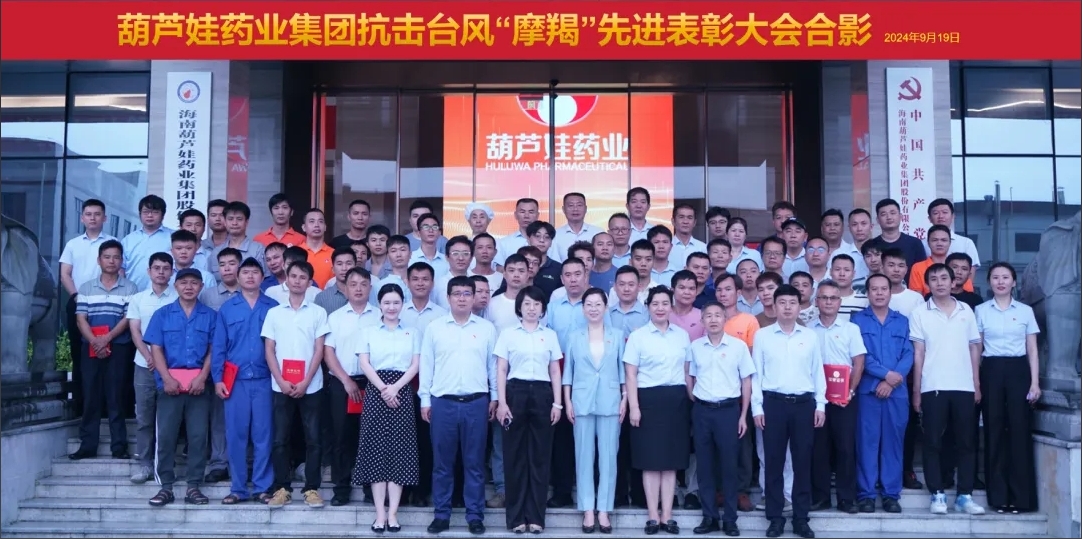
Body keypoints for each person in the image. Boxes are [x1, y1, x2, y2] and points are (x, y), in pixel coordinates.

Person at [419, 276, 498, 535]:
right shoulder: (435, 328)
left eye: (466, 293)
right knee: (442, 464)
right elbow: (427, 365)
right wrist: (425, 399)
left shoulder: (486, 329)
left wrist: (495, 397)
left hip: (476, 402)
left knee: (474, 463)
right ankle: (441, 514)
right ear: (448, 297)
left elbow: (492, 367)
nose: (462, 298)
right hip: (443, 403)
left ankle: (475, 516)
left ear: (474, 297)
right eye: (457, 294)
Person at [909, 263, 986, 516]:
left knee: (966, 443)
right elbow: (918, 353)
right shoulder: (920, 312)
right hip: (933, 386)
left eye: (944, 278)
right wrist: (917, 390)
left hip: (964, 386)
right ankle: (937, 493)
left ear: (954, 282)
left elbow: (974, 348)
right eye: (934, 279)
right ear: (927, 284)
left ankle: (965, 496)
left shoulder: (966, 310)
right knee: (933, 442)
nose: (940, 283)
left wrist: (976, 384)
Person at [751, 284, 825, 539]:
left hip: (804, 405)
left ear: (799, 306)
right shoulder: (763, 336)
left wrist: (821, 404)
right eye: (782, 302)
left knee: (802, 462)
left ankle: (801, 518)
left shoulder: (810, 336)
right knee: (774, 462)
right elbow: (756, 373)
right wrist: (757, 407)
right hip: (773, 404)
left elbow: (817, 371)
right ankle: (775, 517)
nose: (787, 307)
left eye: (792, 303)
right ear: (774, 305)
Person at [143, 268, 216, 507]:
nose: (189, 287)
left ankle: (194, 486)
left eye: (194, 283)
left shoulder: (210, 316)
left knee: (198, 437)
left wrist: (203, 377)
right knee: (166, 436)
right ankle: (166, 486)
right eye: (184, 283)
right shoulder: (162, 314)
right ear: (175, 286)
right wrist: (166, 378)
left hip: (198, 386)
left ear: (201, 287)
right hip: (169, 385)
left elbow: (213, 350)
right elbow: (156, 348)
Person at [494, 286, 564, 533]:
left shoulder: (550, 335)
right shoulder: (508, 334)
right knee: (514, 456)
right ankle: (516, 519)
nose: (532, 308)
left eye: (536, 304)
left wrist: (557, 403)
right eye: (527, 304)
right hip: (515, 392)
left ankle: (535, 518)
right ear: (519, 308)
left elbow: (555, 370)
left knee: (539, 457)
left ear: (543, 308)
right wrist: (502, 402)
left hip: (543, 394)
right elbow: (501, 369)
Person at [624, 286, 692, 535]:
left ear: (671, 307)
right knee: (650, 461)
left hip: (676, 400)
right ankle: (653, 516)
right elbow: (631, 375)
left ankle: (668, 516)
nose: (660, 308)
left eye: (665, 303)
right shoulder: (638, 337)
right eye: (655, 304)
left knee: (671, 462)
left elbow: (687, 371)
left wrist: (692, 399)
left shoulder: (682, 336)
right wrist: (634, 406)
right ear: (648, 307)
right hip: (648, 400)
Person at [262, 261, 331, 510]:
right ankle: (282, 488)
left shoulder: (318, 313)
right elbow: (269, 350)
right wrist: (281, 380)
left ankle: (311, 488)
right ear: (287, 280)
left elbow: (319, 350)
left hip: (311, 386)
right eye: (293, 276)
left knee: (313, 439)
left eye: (303, 277)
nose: (298, 281)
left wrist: (306, 381)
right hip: (280, 385)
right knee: (280, 439)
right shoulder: (274, 313)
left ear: (310, 282)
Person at [211, 257, 279, 504]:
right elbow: (219, 346)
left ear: (262, 277)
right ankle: (238, 488)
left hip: (265, 379)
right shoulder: (228, 309)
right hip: (235, 380)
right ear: (238, 278)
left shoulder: (273, 307)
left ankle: (262, 487)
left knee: (264, 435)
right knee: (236, 435)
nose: (250, 276)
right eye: (245, 272)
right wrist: (217, 379)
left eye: (255, 272)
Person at [356, 283, 422, 532]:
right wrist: (385, 389)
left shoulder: (412, 333)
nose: (391, 307)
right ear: (379, 305)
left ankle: (393, 513)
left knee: (399, 453)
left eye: (396, 302)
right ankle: (380, 514)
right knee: (376, 453)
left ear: (402, 304)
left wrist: (395, 388)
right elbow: (365, 363)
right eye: (387, 302)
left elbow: (415, 365)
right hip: (376, 391)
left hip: (402, 391)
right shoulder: (368, 331)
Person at [976, 262, 1040, 513]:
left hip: (1018, 371)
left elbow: (1032, 349)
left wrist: (1035, 382)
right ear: (989, 282)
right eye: (995, 277)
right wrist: (976, 381)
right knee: (993, 431)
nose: (1000, 281)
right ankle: (998, 498)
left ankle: (1021, 499)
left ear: (1014, 282)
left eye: (1005, 277)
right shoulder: (981, 311)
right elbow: (977, 349)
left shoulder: (1025, 311)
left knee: (1019, 431)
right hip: (991, 370)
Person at [686, 302, 754, 537]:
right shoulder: (695, 347)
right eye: (708, 316)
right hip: (703, 411)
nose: (713, 320)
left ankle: (730, 519)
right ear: (702, 321)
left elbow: (746, 381)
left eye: (718, 315)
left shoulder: (738, 347)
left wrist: (743, 415)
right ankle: (710, 517)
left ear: (725, 319)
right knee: (705, 466)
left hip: (728, 411)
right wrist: (694, 398)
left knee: (729, 465)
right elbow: (690, 375)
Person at [563, 287, 626, 534]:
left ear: (605, 307)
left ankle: (604, 509)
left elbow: (623, 371)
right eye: (588, 304)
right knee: (583, 455)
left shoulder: (617, 335)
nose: (593, 308)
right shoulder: (574, 336)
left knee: (609, 457)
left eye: (598, 304)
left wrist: (625, 398)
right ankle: (588, 508)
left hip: (611, 400)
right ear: (583, 308)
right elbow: (568, 372)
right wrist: (567, 401)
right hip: (581, 400)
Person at [69, 239, 138, 461]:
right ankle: (87, 445)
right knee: (90, 395)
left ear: (122, 261)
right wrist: (95, 342)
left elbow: (128, 318)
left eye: (116, 257)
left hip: (118, 347)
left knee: (116, 396)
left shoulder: (130, 287)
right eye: (107, 257)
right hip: (90, 347)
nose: (111, 261)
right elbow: (81, 319)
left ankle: (119, 446)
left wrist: (106, 338)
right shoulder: (86, 288)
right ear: (99, 260)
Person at [851, 273, 911, 514]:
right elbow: (860, 355)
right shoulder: (857, 320)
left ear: (890, 292)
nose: (879, 293)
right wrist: (885, 375)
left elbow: (908, 353)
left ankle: (890, 495)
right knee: (867, 443)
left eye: (883, 289)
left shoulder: (902, 321)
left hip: (896, 392)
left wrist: (892, 380)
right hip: (869, 391)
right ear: (867, 293)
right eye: (874, 289)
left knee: (893, 444)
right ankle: (866, 494)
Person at [323, 267, 381, 506]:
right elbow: (328, 352)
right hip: (341, 383)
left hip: (373, 384)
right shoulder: (335, 318)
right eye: (353, 284)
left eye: (363, 284)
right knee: (341, 437)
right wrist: (346, 380)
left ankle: (371, 489)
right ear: (345, 288)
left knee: (371, 437)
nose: (358, 288)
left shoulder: (379, 316)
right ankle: (341, 489)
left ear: (370, 288)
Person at [808, 280, 866, 514]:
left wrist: (850, 391)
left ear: (840, 302)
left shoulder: (851, 329)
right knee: (818, 448)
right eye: (824, 297)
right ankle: (821, 497)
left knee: (845, 448)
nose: (828, 302)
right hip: (816, 400)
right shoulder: (808, 330)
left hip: (844, 399)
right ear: (816, 301)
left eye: (833, 298)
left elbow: (859, 362)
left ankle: (846, 498)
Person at [59, 199, 115, 415]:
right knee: (79, 352)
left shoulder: (112, 242)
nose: (93, 218)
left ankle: (105, 407)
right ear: (82, 218)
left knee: (107, 353)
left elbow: (119, 272)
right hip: (78, 302)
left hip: (106, 305)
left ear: (105, 218)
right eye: (88, 214)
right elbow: (65, 274)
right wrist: (76, 296)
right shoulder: (73, 244)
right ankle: (80, 406)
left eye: (97, 214)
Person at [125, 252, 175, 483]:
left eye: (166, 268)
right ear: (149, 271)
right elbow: (135, 331)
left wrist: (162, 360)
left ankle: (165, 465)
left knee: (169, 419)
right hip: (143, 365)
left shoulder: (178, 296)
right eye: (157, 268)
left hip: (171, 367)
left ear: (171, 272)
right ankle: (144, 464)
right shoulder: (138, 298)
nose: (161, 272)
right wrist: (149, 356)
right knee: (144, 417)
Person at [121, 194, 173, 291]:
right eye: (146, 212)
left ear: (163, 215)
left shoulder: (173, 237)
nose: (149, 215)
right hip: (133, 293)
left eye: (155, 212)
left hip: (166, 293)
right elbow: (121, 268)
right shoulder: (128, 240)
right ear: (139, 214)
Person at [867, 199, 927, 280]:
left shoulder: (915, 243)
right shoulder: (873, 245)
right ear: (878, 220)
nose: (889, 217)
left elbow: (922, 272)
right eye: (884, 214)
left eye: (892, 213)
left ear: (900, 216)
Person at [909, 225, 975, 297]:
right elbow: (917, 298)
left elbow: (968, 295)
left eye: (944, 240)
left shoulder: (958, 268)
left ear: (950, 243)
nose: (939, 244)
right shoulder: (918, 267)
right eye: (935, 240)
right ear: (928, 242)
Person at [553, 192, 603, 262]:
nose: (575, 209)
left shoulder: (598, 233)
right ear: (563, 209)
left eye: (579, 205)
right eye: (571, 205)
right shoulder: (555, 235)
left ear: (585, 209)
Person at [300, 208, 335, 289]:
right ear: (304, 227)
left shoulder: (334, 254)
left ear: (325, 227)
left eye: (320, 221)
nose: (316, 225)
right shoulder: (296, 252)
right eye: (312, 221)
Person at [410, 213, 451, 278]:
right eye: (426, 227)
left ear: (439, 233)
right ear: (419, 233)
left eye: (434, 227)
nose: (431, 230)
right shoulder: (410, 259)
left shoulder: (447, 261)